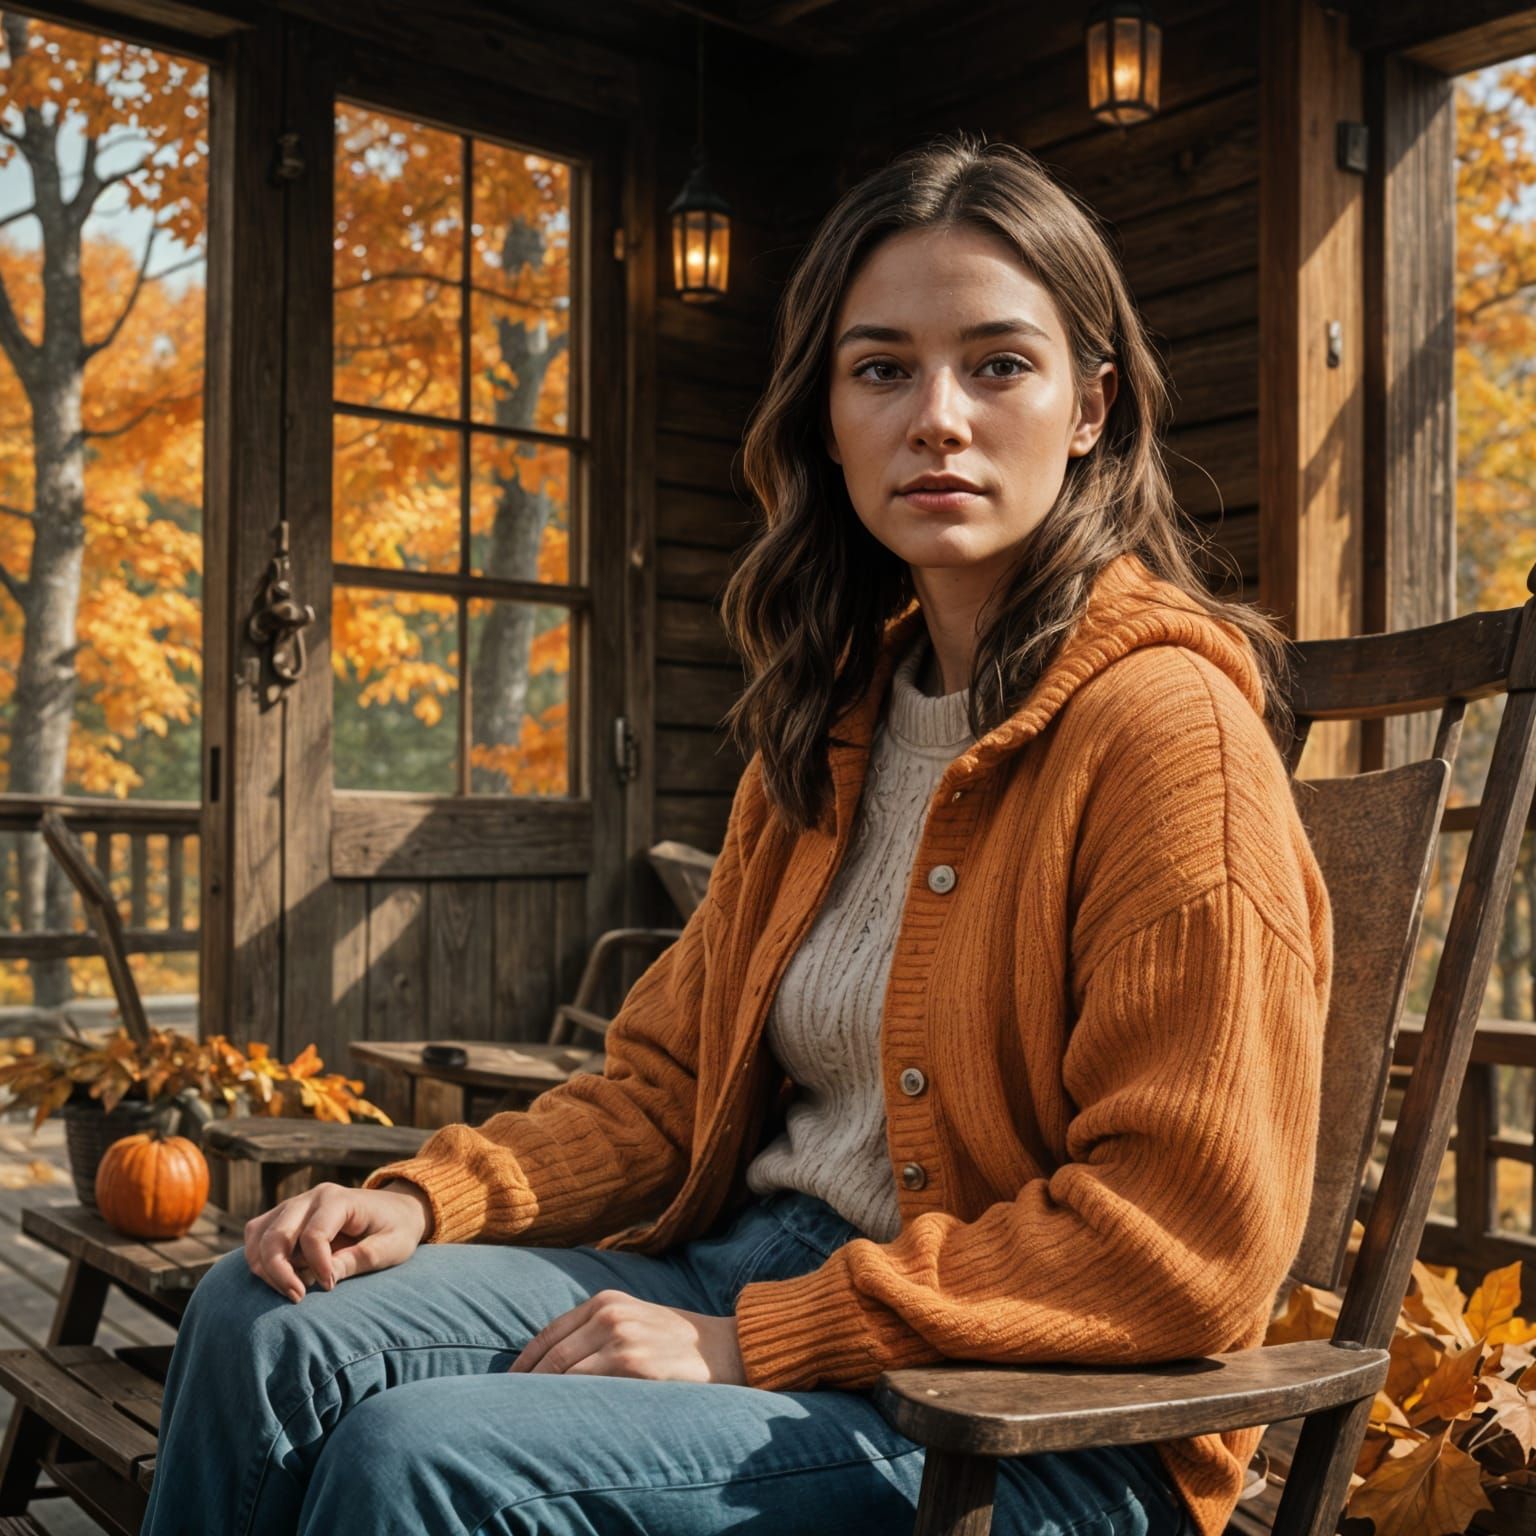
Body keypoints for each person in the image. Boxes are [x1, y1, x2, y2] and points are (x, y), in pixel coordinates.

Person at [139, 131, 1331, 1536]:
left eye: (999, 364)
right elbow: (662, 1090)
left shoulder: (1167, 735)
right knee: (262, 1317)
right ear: (829, 417)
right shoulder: (834, 726)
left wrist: (750, 1345)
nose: (937, 417)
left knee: (420, 1458)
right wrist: (429, 1198)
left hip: (1028, 1418)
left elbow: (1185, 1243)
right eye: (882, 368)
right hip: (754, 1272)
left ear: (1091, 408)